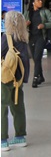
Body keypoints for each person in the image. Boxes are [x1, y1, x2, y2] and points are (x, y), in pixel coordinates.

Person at [1, 10, 30, 150]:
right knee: (17, 106)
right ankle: (20, 136)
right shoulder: (23, 39)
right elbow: (25, 61)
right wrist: (23, 79)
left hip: (5, 78)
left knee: (2, 107)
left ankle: (2, 140)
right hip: (17, 79)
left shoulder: (6, 38)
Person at [25, 0, 51, 88]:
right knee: (35, 58)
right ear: (33, 3)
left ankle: (35, 78)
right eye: (38, 0)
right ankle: (41, 76)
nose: (40, 2)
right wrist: (26, 24)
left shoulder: (45, 11)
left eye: (41, 0)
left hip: (41, 37)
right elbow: (22, 24)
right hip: (31, 37)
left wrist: (44, 25)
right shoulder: (28, 13)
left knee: (37, 57)